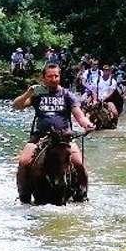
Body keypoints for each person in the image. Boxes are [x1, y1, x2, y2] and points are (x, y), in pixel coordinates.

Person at [10, 63, 96, 201]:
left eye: (56, 76)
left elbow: (79, 116)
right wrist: (29, 92)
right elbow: (16, 106)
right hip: (39, 137)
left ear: (59, 76)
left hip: (64, 138)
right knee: (24, 162)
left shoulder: (67, 95)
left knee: (79, 163)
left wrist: (87, 124)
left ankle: (82, 194)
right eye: (50, 76)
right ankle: (24, 197)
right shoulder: (37, 94)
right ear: (43, 78)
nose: (53, 79)